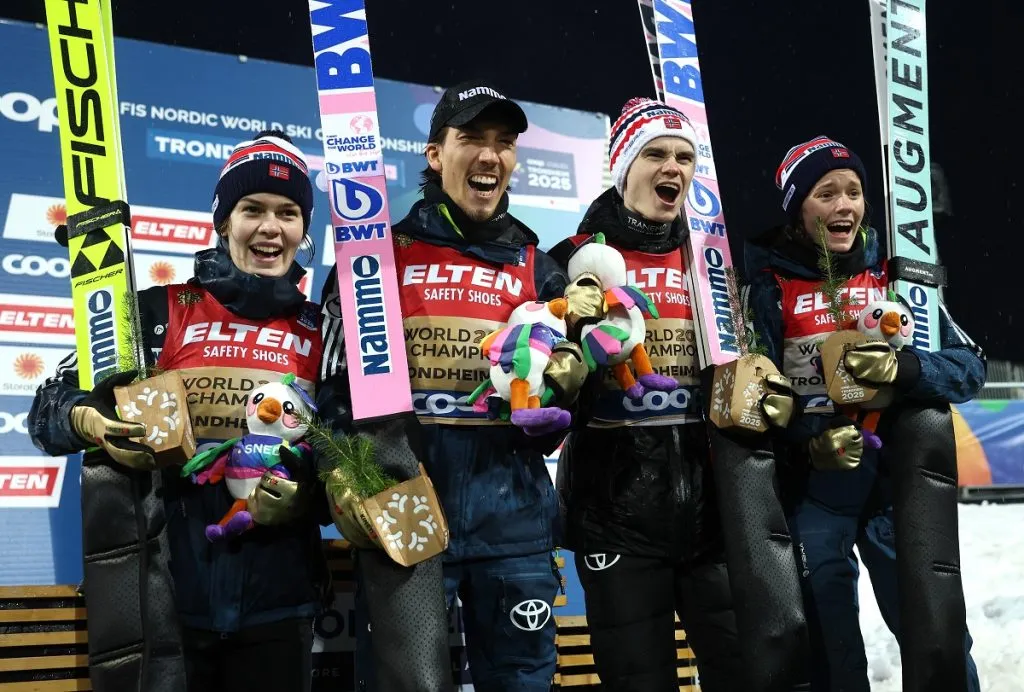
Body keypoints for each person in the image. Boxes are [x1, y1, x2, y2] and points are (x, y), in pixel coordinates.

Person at [29, 131, 333, 692]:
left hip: (279, 603)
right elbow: (46, 410)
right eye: (252, 209)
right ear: (223, 222)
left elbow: (348, 457)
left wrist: (307, 496)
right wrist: (85, 419)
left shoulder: (319, 332)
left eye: (289, 212)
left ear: (303, 229)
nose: (271, 227)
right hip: (168, 601)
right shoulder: (161, 310)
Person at [319, 79, 586, 691]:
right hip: (405, 510)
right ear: (436, 155)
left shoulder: (538, 267)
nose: (491, 155)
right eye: (472, 139)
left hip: (514, 524)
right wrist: (342, 477)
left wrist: (568, 382)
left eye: (504, 142)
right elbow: (333, 390)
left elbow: (559, 399)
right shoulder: (376, 258)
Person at [743, 135, 985, 691]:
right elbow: (754, 394)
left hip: (893, 490)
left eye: (853, 191)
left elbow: (968, 368)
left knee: (936, 634)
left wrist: (906, 373)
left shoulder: (894, 276)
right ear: (798, 209)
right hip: (814, 490)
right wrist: (807, 439)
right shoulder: (765, 285)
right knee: (829, 648)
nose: (845, 205)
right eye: (826, 193)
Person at [549, 97, 772, 692]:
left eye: (684, 156)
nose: (672, 167)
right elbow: (542, 392)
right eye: (655, 154)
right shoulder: (571, 263)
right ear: (624, 167)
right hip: (615, 519)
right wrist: (569, 364)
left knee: (742, 675)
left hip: (714, 518)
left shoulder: (714, 266)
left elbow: (750, 372)